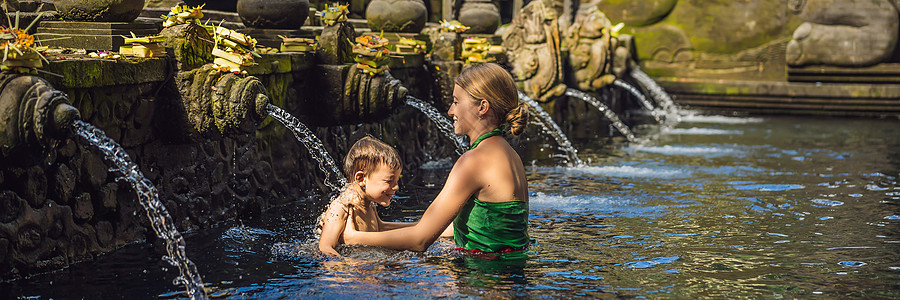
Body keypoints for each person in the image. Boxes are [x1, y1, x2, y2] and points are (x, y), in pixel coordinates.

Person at [342, 63, 530, 255]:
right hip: (508, 276)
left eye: (456, 102)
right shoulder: (510, 155)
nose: (450, 111)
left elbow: (420, 241)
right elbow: (449, 228)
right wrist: (379, 228)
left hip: (482, 278)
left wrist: (353, 237)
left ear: (482, 107)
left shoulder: (474, 161)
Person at [318, 136, 411, 256]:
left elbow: (381, 228)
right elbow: (325, 248)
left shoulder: (370, 204)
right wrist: (347, 265)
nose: (396, 187)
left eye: (397, 181)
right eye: (389, 181)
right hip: (354, 272)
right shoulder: (341, 207)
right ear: (361, 178)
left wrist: (420, 227)